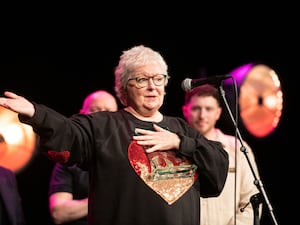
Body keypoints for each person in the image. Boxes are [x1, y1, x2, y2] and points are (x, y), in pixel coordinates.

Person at [0, 45, 229, 225]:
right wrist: (35, 113)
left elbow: (217, 167)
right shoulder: (103, 126)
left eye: (159, 79)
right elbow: (68, 133)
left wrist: (180, 142)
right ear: (123, 88)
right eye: (141, 79)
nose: (152, 86)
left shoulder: (182, 129)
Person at [182, 84, 262, 225]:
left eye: (209, 109)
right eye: (196, 108)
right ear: (185, 110)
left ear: (218, 113)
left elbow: (251, 201)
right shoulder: (175, 149)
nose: (202, 115)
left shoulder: (238, 148)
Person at [48, 90, 118, 225]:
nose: (102, 116)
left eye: (108, 111)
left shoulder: (128, 156)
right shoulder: (68, 160)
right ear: (82, 115)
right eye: (95, 110)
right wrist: (105, 199)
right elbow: (59, 212)